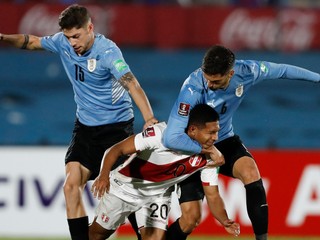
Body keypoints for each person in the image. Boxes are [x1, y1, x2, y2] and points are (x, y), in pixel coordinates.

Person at [0, 4, 158, 240]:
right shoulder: (63, 43)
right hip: (85, 129)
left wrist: (149, 118)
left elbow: (131, 83)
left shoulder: (108, 52)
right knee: (70, 186)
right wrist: (3, 38)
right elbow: (31, 41)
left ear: (90, 28)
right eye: (68, 37)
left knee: (127, 195)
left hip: (116, 130)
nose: (72, 42)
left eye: (76, 36)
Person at [162, 45, 320, 240]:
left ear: (231, 73)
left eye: (216, 80)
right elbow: (170, 138)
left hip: (224, 140)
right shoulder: (192, 88)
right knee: (191, 219)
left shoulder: (248, 72)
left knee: (250, 172)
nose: (209, 84)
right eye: (207, 78)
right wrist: (209, 151)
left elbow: (282, 70)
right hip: (191, 147)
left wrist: (318, 78)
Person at [89, 104, 240, 240]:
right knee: (96, 235)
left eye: (217, 132)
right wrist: (103, 176)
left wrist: (224, 220)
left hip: (157, 194)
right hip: (124, 189)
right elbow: (116, 149)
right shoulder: (160, 134)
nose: (216, 137)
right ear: (193, 129)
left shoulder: (211, 156)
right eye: (211, 132)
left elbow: (212, 194)